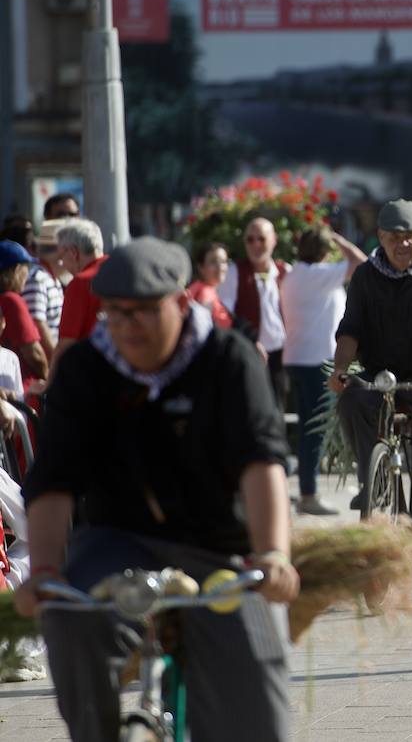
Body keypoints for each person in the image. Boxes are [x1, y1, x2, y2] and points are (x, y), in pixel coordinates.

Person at [13, 238, 298, 742]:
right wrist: (47, 572)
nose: (127, 326)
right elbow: (53, 480)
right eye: (115, 313)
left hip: (219, 549)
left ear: (181, 303)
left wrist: (273, 554)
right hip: (114, 543)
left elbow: (262, 462)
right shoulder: (84, 370)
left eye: (143, 311)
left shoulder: (228, 360)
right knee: (68, 617)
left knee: (258, 704)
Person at [330, 200, 412, 585]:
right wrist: (341, 371)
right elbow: (350, 329)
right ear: (381, 239)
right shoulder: (367, 276)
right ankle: (373, 482)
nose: (403, 245)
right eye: (394, 239)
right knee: (352, 399)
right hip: (380, 376)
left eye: (410, 237)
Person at [282, 226, 366, 516]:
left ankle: (307, 489)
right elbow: (362, 263)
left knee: (308, 427)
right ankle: (309, 493)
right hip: (317, 361)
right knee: (315, 431)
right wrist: (340, 239)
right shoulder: (319, 275)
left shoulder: (294, 275)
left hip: (297, 357)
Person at [218, 218, 289, 407]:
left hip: (279, 356)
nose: (256, 244)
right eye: (250, 239)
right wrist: (250, 340)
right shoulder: (234, 272)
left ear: (273, 240)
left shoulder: (284, 272)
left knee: (277, 409)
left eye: (261, 239)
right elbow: (224, 314)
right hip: (249, 352)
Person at [52, 218, 107, 370]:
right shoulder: (121, 270)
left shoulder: (80, 283)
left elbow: (66, 345)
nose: (62, 263)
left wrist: (48, 386)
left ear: (73, 252)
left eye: (61, 256)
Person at [0, 241, 48, 388]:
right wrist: (48, 379)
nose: (28, 274)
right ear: (17, 270)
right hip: (21, 391)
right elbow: (34, 354)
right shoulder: (12, 300)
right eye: (28, 268)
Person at [20, 221, 66, 357]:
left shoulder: (51, 278)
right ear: (60, 253)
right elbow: (37, 323)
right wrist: (56, 360)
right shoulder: (38, 279)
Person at [188, 242, 233, 328]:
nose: (220, 267)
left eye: (223, 261)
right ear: (201, 267)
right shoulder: (205, 292)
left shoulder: (198, 288)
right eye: (213, 262)